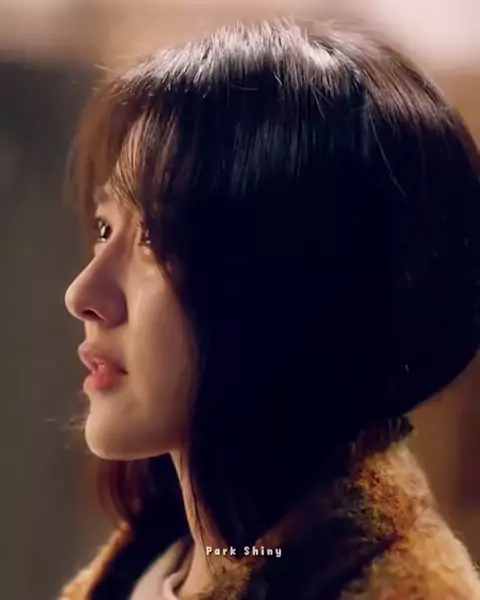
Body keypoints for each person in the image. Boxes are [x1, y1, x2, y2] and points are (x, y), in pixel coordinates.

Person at [59, 18, 480, 600]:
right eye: (106, 228)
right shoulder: (147, 569)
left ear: (299, 288)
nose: (82, 296)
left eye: (161, 237)